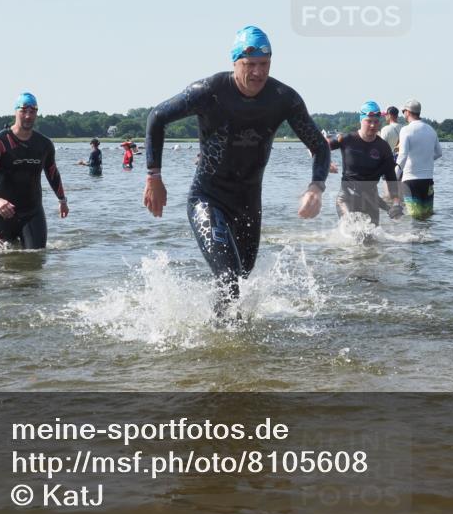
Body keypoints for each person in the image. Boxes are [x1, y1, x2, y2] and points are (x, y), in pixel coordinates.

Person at [143, 25, 330, 318]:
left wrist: (316, 186)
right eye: (250, 64)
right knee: (229, 279)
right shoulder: (210, 91)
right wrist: (154, 176)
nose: (258, 72)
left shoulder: (283, 98)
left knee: (240, 281)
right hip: (208, 199)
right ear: (235, 62)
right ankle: (220, 341)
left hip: (248, 204)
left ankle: (223, 338)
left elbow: (320, 146)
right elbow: (157, 117)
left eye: (264, 64)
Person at [0, 92, 68, 249]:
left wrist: (62, 200)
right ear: (15, 111)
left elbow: (52, 173)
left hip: (33, 212)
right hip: (3, 213)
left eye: (32, 111)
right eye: (23, 111)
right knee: (0, 262)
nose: (28, 116)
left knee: (37, 257)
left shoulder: (44, 144)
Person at [328, 101, 402, 226]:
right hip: (347, 198)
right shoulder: (346, 139)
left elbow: (391, 177)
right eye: (369, 121)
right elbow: (316, 147)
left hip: (371, 199)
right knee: (353, 229)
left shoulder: (383, 147)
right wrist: (326, 162)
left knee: (372, 236)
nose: (373, 125)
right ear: (361, 121)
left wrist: (396, 203)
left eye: (376, 121)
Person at [395, 99, 442, 220]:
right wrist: (425, 160)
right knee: (427, 216)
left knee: (414, 217)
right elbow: (439, 153)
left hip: (411, 181)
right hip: (428, 180)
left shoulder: (405, 130)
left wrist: (394, 176)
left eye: (403, 111)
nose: (403, 114)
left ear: (408, 112)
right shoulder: (431, 130)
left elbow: (402, 155)